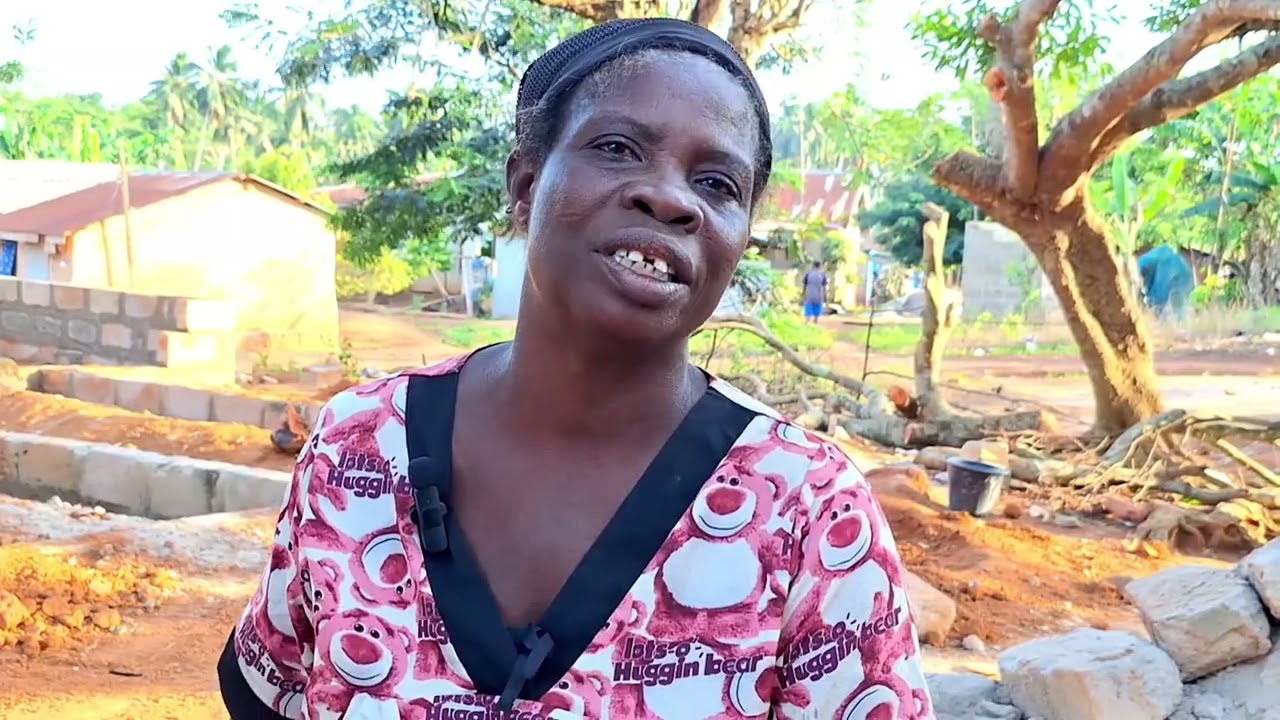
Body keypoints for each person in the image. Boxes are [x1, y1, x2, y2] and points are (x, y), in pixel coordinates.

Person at [217, 17, 932, 720]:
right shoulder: (356, 451)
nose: (671, 197)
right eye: (618, 147)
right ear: (525, 186)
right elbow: (275, 689)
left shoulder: (806, 509)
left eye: (717, 183)